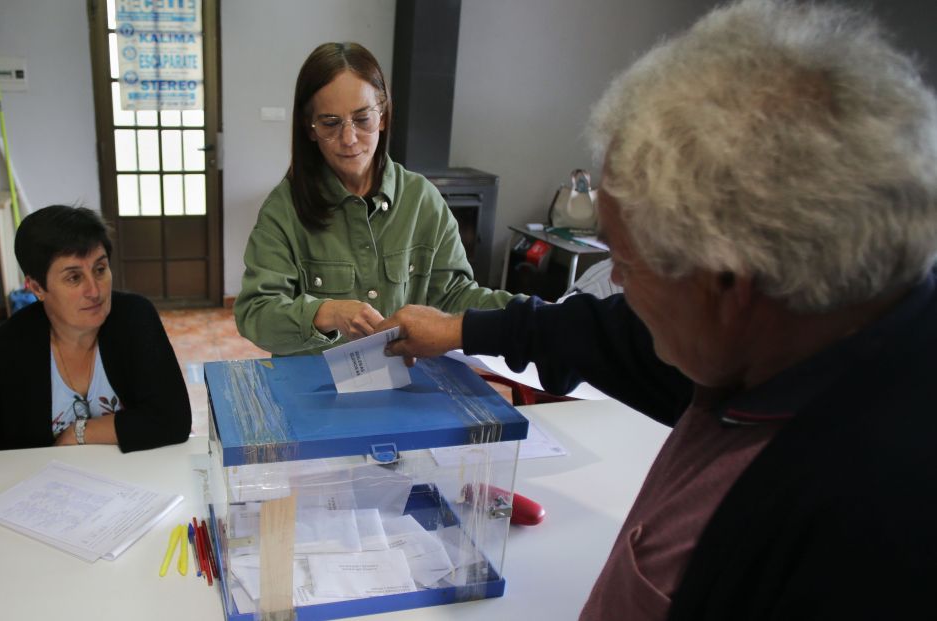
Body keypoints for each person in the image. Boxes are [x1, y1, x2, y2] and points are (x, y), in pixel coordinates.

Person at [379, 1, 937, 618]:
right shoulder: (789, 329)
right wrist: (458, 329)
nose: (613, 281)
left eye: (625, 260)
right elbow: (604, 335)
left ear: (727, 279)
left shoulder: (871, 526)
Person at [0, 205, 191, 535]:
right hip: (37, 517)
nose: (95, 290)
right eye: (73, 277)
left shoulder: (133, 319)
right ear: (36, 287)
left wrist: (78, 433)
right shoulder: (10, 347)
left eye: (100, 269)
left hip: (130, 504)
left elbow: (172, 419)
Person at [234, 42, 515, 356]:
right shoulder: (284, 209)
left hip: (404, 386)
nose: (349, 139)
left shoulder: (422, 200)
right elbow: (255, 314)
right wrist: (326, 313)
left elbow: (453, 297)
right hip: (315, 390)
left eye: (363, 119)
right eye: (330, 123)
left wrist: (532, 316)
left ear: (382, 115)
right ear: (310, 128)